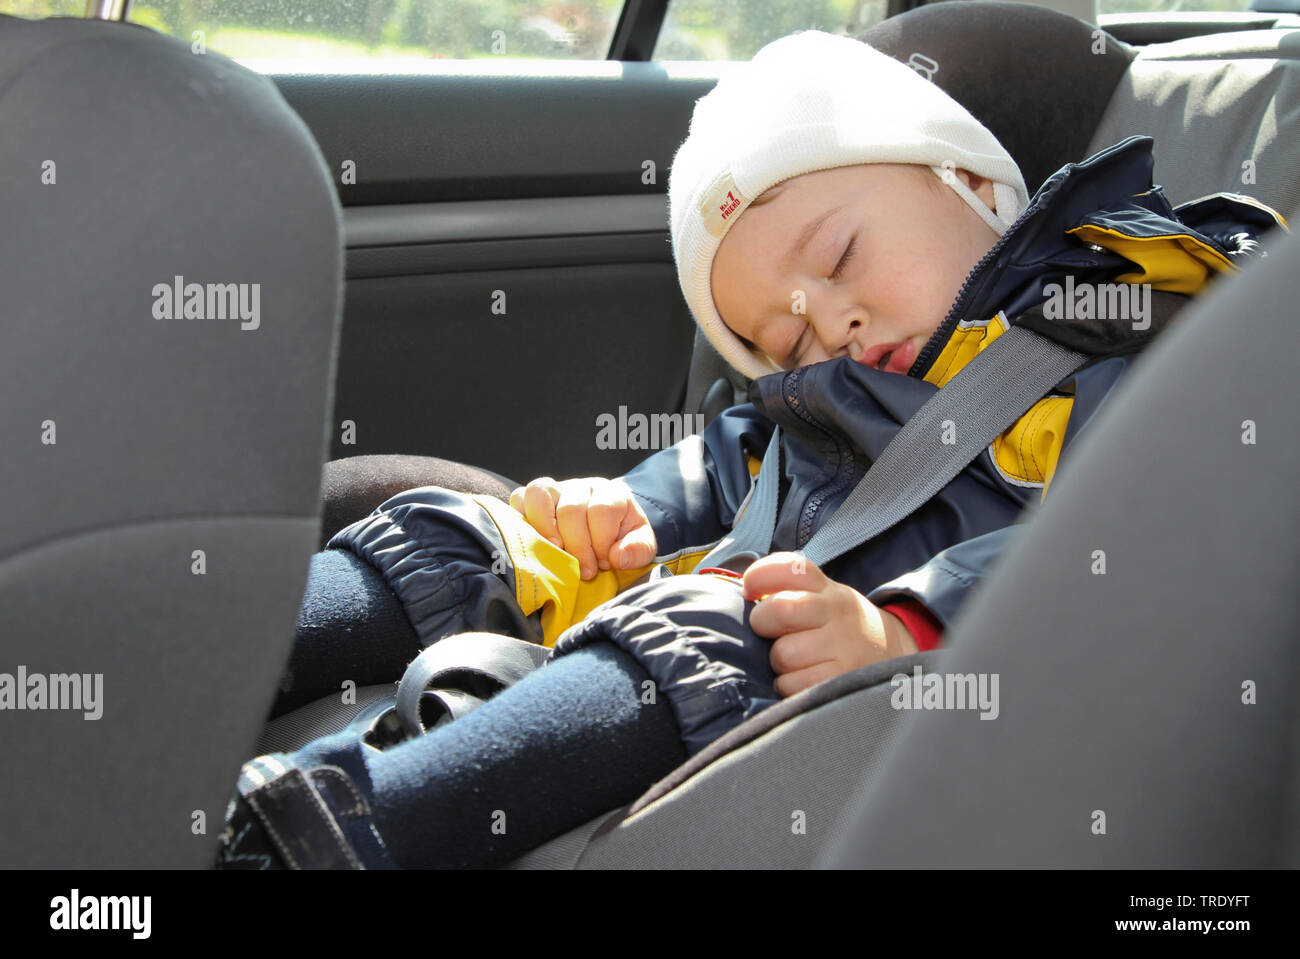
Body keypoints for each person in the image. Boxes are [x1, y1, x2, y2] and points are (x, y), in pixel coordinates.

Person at [214, 31, 1284, 870]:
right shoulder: (806, 407)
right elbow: (708, 474)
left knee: (727, 612)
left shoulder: (1120, 320)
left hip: (945, 675)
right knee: (479, 537)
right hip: (750, 629)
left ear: (968, 183)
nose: (831, 325)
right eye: (780, 336)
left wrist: (910, 625)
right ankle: (177, 672)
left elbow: (1137, 542)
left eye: (840, 253)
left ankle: (327, 830)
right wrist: (611, 513)